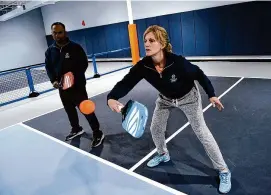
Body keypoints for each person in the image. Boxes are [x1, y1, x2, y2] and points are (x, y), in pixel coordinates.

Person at [107, 25, 231, 193]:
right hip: (165, 99)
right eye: (145, 41)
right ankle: (163, 154)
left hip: (189, 99)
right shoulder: (143, 66)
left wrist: (211, 94)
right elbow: (126, 82)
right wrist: (112, 97)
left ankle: (223, 171)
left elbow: (199, 74)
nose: (147, 44)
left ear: (162, 43)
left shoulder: (178, 62)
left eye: (152, 40)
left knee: (202, 132)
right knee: (155, 128)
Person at [45, 22, 104, 147]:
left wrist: (72, 79)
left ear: (65, 32)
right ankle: (76, 128)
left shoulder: (75, 48)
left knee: (86, 110)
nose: (57, 35)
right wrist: (54, 80)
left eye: (60, 32)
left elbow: (83, 64)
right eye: (54, 33)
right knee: (69, 110)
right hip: (62, 88)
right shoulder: (50, 51)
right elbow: (49, 67)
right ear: (52, 33)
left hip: (77, 87)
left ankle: (97, 132)